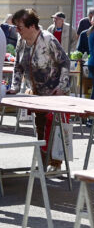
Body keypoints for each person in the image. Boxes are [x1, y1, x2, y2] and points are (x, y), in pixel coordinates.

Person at [7, 9, 70, 171]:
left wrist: (62, 86)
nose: (16, 30)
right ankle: (42, 164)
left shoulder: (48, 40)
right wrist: (14, 87)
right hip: (36, 95)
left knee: (55, 129)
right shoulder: (21, 41)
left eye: (19, 27)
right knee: (40, 129)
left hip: (55, 94)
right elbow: (18, 66)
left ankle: (56, 163)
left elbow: (64, 62)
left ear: (32, 26)